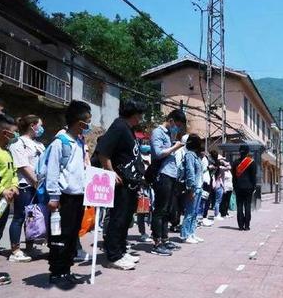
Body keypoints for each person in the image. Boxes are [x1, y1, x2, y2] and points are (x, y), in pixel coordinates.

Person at [46, 101, 91, 286]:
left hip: (78, 196)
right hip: (64, 198)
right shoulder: (60, 142)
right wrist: (54, 196)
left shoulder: (79, 142)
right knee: (60, 237)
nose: (89, 125)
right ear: (80, 122)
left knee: (72, 236)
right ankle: (57, 272)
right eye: (88, 121)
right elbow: (53, 171)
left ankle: (67, 269)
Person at [98, 99, 145, 270]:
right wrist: (110, 171)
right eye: (140, 115)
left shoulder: (129, 129)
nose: (141, 118)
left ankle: (122, 250)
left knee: (126, 219)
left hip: (131, 182)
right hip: (121, 183)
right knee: (118, 218)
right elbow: (103, 151)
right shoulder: (118, 126)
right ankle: (114, 256)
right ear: (134, 115)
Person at [8, 115, 45, 262]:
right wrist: (36, 182)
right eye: (40, 125)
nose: (42, 128)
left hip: (38, 186)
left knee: (31, 218)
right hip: (25, 185)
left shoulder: (39, 144)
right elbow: (23, 166)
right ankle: (15, 250)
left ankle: (29, 247)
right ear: (32, 125)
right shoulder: (18, 143)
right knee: (19, 217)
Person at [149, 109, 186, 256]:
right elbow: (158, 154)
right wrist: (175, 147)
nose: (177, 128)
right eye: (176, 124)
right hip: (162, 175)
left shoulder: (169, 134)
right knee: (160, 209)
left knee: (167, 210)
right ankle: (157, 242)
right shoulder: (157, 132)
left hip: (171, 175)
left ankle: (164, 239)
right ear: (171, 120)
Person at [0, 114, 19, 246]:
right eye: (14, 133)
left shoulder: (8, 151)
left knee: (0, 230)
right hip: (1, 196)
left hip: (5, 201)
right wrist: (2, 190)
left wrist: (14, 185)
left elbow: (14, 171)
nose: (16, 135)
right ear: (5, 133)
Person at [179, 134, 204, 244]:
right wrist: (190, 189)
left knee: (194, 213)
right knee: (189, 212)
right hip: (193, 188)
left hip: (198, 187)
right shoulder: (189, 155)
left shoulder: (196, 156)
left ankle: (192, 233)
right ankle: (185, 235)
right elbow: (190, 172)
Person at [232, 145, 256, 231]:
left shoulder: (235, 163)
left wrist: (234, 187)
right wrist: (254, 187)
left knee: (239, 206)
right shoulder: (251, 162)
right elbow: (253, 177)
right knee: (247, 206)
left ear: (239, 152)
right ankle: (247, 226)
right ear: (247, 152)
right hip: (249, 187)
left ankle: (240, 226)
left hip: (238, 187)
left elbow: (234, 178)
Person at [210, 150, 230, 221]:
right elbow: (229, 167)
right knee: (218, 201)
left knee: (217, 200)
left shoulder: (217, 167)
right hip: (218, 185)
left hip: (217, 185)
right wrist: (223, 161)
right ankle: (216, 214)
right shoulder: (219, 167)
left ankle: (217, 214)